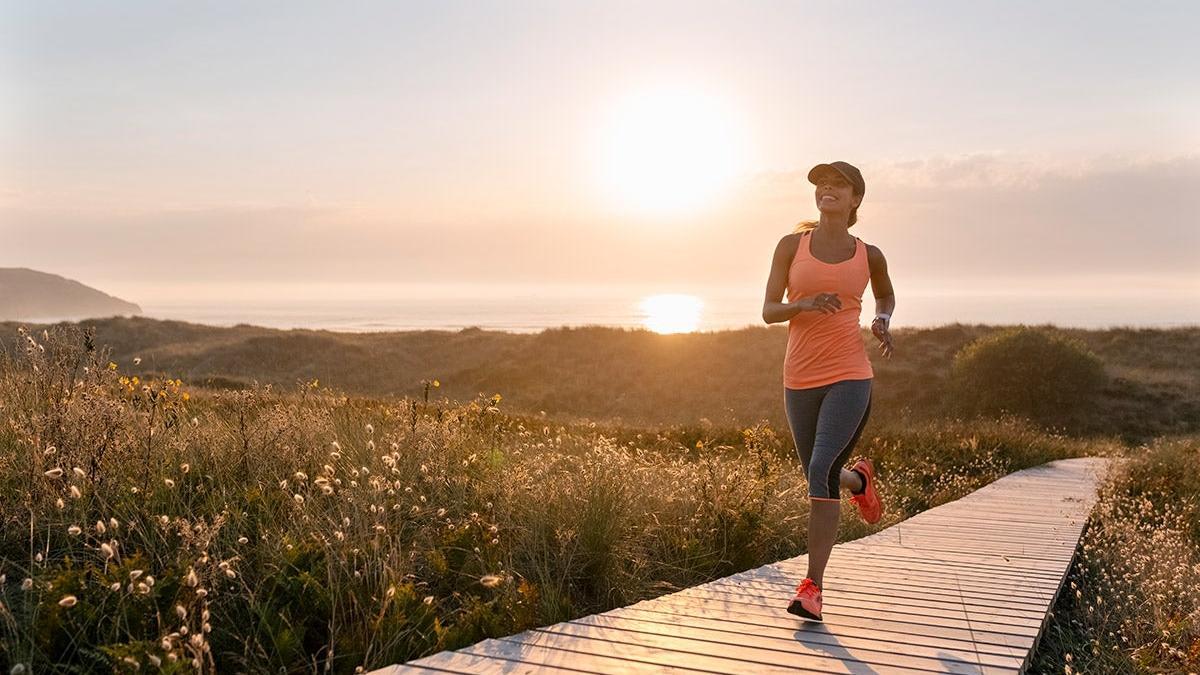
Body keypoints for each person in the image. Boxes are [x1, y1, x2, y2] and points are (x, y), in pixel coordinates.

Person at [761, 161, 896, 621]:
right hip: (798, 378)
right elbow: (768, 309)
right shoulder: (790, 246)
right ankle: (859, 481)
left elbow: (886, 294)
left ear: (855, 198)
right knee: (820, 474)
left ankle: (812, 588)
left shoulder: (869, 254)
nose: (827, 189)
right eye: (821, 183)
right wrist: (801, 304)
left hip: (849, 374)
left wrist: (882, 319)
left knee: (820, 467)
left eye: (838, 184)